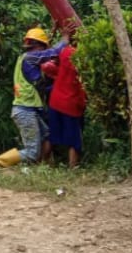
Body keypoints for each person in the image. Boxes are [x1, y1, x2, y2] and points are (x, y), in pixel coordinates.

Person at [0, 27, 66, 168]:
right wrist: (65, 39)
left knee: (47, 135)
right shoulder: (30, 57)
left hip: (27, 109)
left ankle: (40, 167)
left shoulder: (25, 59)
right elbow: (52, 53)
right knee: (31, 152)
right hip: (25, 111)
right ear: (38, 46)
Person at [47, 33, 87, 168]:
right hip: (71, 104)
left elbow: (49, 56)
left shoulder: (65, 52)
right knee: (74, 140)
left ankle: (41, 164)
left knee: (51, 136)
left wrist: (57, 34)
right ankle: (72, 167)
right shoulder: (84, 58)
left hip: (56, 100)